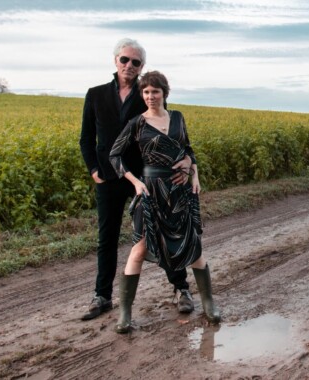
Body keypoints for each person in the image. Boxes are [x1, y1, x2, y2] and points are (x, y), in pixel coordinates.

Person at [79, 38, 195, 321]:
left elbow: (171, 135)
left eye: (136, 62)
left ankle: (180, 288)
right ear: (115, 60)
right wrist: (95, 170)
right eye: (125, 60)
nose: (129, 65)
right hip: (109, 178)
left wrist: (188, 164)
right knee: (106, 238)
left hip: (145, 178)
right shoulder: (95, 95)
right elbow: (86, 139)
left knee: (162, 233)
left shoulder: (147, 93)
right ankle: (102, 296)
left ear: (142, 66)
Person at [110, 70, 221, 334]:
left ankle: (209, 304)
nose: (150, 96)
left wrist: (194, 173)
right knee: (138, 250)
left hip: (180, 192)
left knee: (194, 248)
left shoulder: (178, 118)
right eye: (146, 92)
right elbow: (115, 155)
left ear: (164, 93)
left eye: (155, 92)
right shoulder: (137, 123)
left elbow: (189, 151)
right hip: (150, 192)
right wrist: (136, 182)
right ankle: (125, 314)